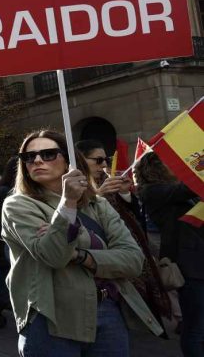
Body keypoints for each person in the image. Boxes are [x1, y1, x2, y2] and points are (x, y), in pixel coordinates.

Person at [2, 130, 163, 355]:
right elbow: (54, 255)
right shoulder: (17, 206)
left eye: (48, 154)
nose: (37, 160)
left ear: (70, 161)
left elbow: (133, 260)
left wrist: (80, 255)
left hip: (107, 310)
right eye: (29, 157)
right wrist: (67, 203)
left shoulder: (98, 205)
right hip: (51, 317)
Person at [79, 140, 172, 330]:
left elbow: (134, 215)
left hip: (132, 249)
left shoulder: (105, 179)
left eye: (106, 159)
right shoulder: (76, 186)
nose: (104, 165)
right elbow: (77, 219)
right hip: (105, 258)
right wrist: (98, 195)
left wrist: (125, 194)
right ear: (81, 160)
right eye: (98, 160)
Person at [136, 151, 203, 355]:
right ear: (155, 168)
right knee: (196, 327)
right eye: (171, 163)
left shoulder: (168, 190)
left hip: (198, 259)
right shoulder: (151, 191)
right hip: (189, 264)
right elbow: (188, 188)